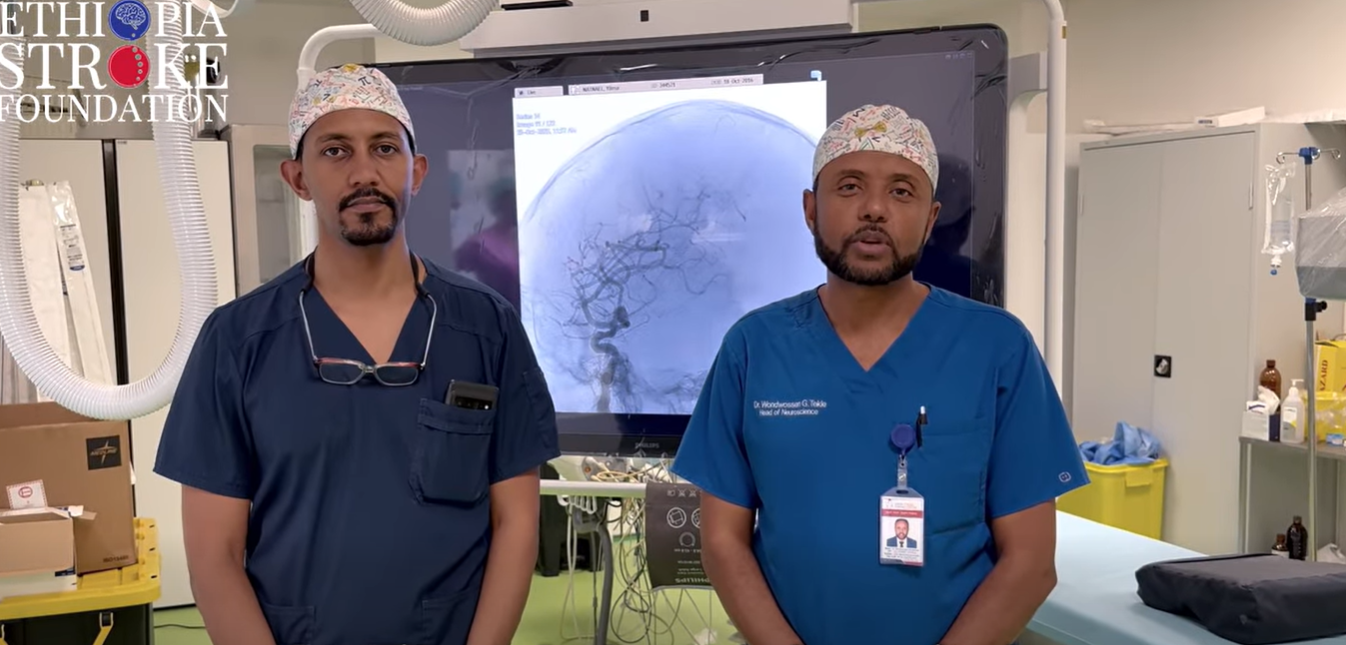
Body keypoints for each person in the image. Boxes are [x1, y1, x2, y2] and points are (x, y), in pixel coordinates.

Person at [154, 63, 560, 645]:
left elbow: (517, 521)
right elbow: (214, 552)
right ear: (297, 178)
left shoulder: (485, 327)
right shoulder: (238, 341)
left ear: (416, 171)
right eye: (335, 151)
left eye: (385, 148)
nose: (364, 172)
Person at [671, 104, 1088, 645]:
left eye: (901, 191)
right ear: (810, 209)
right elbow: (723, 543)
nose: (874, 209)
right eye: (849, 187)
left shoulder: (997, 349)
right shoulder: (754, 348)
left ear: (931, 220)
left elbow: (1030, 561)